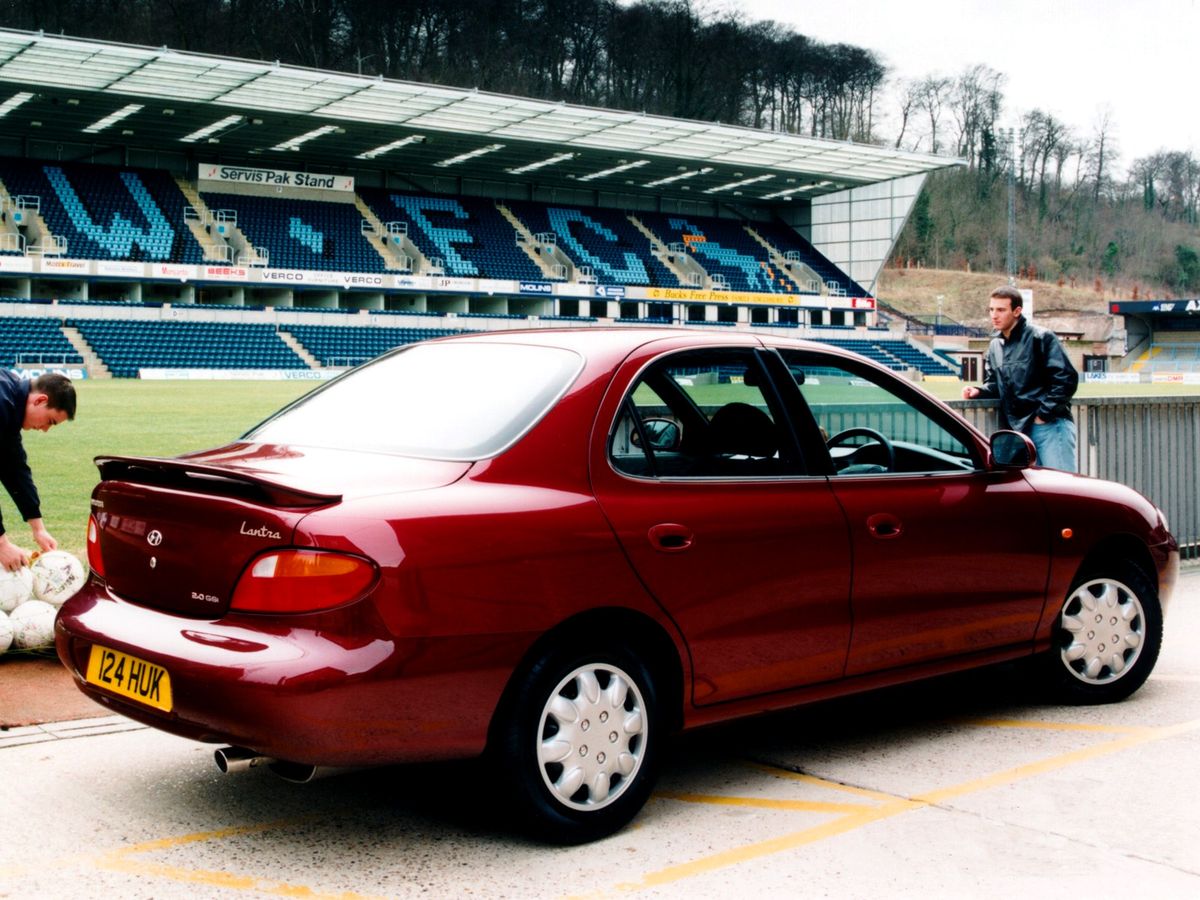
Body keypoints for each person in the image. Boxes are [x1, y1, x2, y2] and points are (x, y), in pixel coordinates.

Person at [962, 286, 1079, 471]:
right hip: (1018, 430)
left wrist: (1043, 415)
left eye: (1001, 310)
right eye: (991, 309)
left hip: (1049, 425)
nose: (994, 315)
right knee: (1033, 490)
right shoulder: (995, 346)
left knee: (1061, 488)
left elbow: (1066, 378)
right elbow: (997, 384)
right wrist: (980, 391)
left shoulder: (1041, 337)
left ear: (1017, 311)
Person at [0, 370, 76, 572]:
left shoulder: (11, 401)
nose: (44, 429)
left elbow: (15, 468)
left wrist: (38, 528)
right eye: (50, 421)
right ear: (40, 400)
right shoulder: (1, 402)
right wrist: (2, 544)